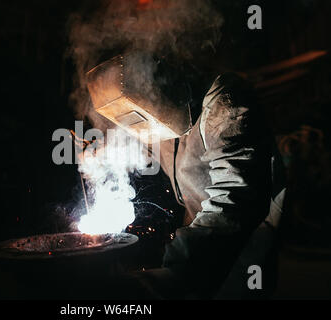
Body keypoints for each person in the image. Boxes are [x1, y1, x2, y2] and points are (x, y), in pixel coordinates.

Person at [86, 53, 285, 299]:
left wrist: (175, 273)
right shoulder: (151, 111)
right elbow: (137, 140)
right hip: (199, 241)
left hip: (240, 249)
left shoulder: (225, 101)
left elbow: (237, 198)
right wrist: (100, 151)